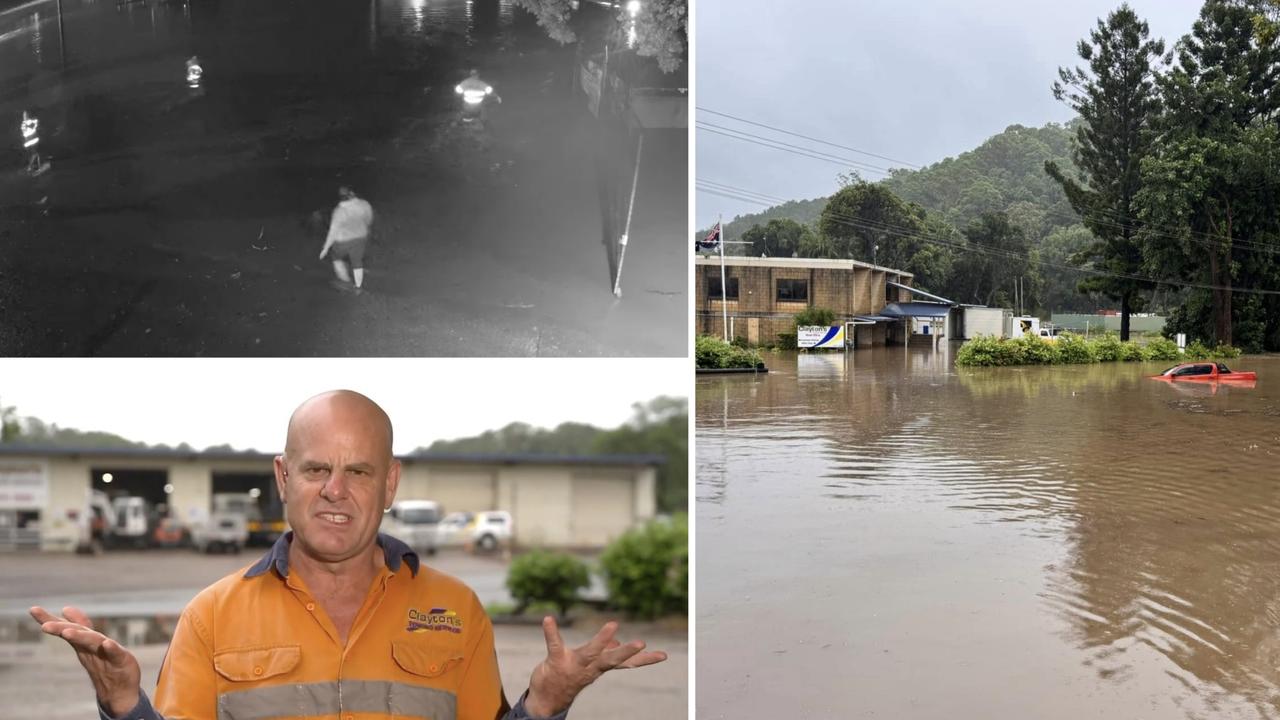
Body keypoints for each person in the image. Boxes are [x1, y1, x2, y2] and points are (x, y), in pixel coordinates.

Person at [31, 390, 665, 720]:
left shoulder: (456, 609)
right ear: (283, 477)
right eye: (317, 469)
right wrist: (123, 704)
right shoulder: (211, 616)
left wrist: (547, 704)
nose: (336, 491)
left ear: (390, 483)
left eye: (358, 471)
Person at [318, 186, 374, 293]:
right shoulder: (364, 204)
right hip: (360, 238)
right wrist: (365, 227)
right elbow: (369, 217)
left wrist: (326, 248)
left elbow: (333, 231)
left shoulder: (339, 211)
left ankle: (345, 281)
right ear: (352, 193)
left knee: (336, 258)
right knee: (357, 262)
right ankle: (358, 287)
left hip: (343, 241)